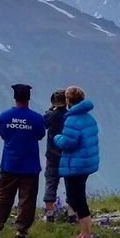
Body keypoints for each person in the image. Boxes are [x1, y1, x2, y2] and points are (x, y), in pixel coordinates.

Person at [0, 83, 46, 238]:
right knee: (27, 199)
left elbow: (2, 134)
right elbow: (41, 135)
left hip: (9, 163)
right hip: (30, 165)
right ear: (29, 98)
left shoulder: (4, 117)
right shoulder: (37, 118)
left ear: (15, 97)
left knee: (3, 196)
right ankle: (21, 231)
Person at [53, 85, 100, 238]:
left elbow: (69, 143)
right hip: (86, 163)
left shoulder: (72, 120)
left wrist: (57, 138)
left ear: (68, 100)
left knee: (76, 199)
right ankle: (84, 233)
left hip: (75, 165)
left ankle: (86, 236)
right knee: (78, 197)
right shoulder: (88, 117)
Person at [42, 89, 68, 219]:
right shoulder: (69, 115)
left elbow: (43, 124)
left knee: (51, 182)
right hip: (68, 154)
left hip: (52, 155)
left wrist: (49, 110)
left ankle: (50, 213)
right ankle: (72, 213)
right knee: (70, 183)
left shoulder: (50, 115)